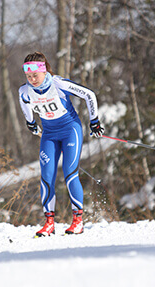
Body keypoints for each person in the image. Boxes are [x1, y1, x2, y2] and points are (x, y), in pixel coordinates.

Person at [19, 51, 104, 237]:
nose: (32, 79)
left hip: (70, 131)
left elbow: (89, 95)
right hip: (49, 134)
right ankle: (49, 223)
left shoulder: (58, 84)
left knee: (69, 173)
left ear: (44, 71)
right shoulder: (24, 91)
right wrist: (31, 123)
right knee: (46, 176)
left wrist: (94, 121)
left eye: (35, 75)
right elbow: (24, 104)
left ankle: (77, 221)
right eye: (28, 76)